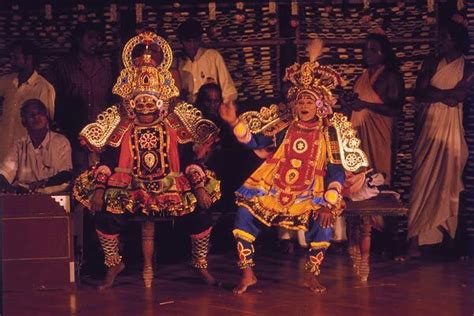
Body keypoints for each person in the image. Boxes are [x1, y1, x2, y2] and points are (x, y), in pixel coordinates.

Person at [72, 32, 221, 290]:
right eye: (139, 101)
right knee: (105, 218)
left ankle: (200, 264)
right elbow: (107, 161)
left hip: (170, 186)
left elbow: (188, 161)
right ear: (131, 104)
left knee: (201, 215)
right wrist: (98, 189)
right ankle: (114, 264)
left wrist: (197, 187)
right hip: (132, 187)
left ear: (159, 103)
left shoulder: (174, 124)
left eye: (148, 101)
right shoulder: (123, 126)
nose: (144, 107)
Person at [219, 61, 368, 294]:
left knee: (324, 222)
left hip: (311, 190)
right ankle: (248, 273)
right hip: (274, 186)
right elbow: (256, 141)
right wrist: (234, 122)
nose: (304, 105)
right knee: (244, 213)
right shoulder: (283, 127)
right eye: (300, 101)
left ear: (319, 105)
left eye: (309, 101)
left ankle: (311, 275)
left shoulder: (328, 132)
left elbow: (336, 169)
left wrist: (329, 202)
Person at [405, 19, 473, 259]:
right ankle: (414, 241)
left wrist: (439, 94)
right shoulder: (431, 62)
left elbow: (462, 94)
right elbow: (422, 92)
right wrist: (446, 95)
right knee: (421, 182)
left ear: (456, 40)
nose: (440, 41)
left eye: (444, 36)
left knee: (449, 183)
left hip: (452, 131)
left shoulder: (468, 67)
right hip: (429, 129)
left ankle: (448, 241)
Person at [341, 30, 404, 187]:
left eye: (373, 50)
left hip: (381, 136)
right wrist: (347, 104)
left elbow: (396, 110)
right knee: (358, 178)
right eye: (366, 49)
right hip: (358, 135)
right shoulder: (362, 77)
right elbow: (354, 109)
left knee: (379, 177)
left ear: (384, 53)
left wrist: (366, 105)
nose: (368, 54)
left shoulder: (391, 77)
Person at [48, 22, 113, 173]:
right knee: (77, 172)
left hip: (101, 130)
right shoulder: (63, 65)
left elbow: (111, 97)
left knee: (100, 173)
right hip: (73, 131)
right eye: (90, 38)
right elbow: (52, 96)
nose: (94, 42)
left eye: (97, 38)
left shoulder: (105, 66)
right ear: (78, 40)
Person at [0, 40, 55, 163]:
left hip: (25, 155)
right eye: (10, 57)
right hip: (3, 150)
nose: (11, 61)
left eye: (15, 57)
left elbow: (44, 126)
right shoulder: (8, 81)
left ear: (28, 59)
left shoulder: (44, 88)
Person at [0, 99, 72, 193]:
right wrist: (9, 190)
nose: (36, 117)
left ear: (47, 118)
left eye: (40, 113)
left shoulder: (61, 142)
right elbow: (4, 173)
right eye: (31, 115)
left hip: (54, 197)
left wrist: (41, 184)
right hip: (25, 199)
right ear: (23, 122)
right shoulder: (19, 145)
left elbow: (66, 174)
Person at [176, 18, 237, 104]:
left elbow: (229, 91)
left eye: (195, 41)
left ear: (200, 39)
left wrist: (224, 110)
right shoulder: (176, 62)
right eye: (188, 41)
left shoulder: (213, 57)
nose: (192, 45)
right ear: (181, 41)